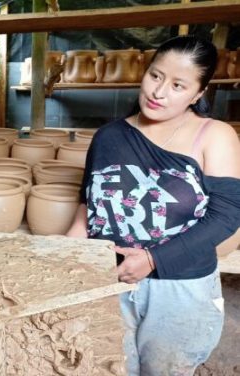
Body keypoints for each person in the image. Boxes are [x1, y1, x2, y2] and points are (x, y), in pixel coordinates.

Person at [67, 35, 240, 375]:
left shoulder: (214, 135)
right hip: (107, 280)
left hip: (180, 290)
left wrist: (152, 259)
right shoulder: (108, 136)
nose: (159, 92)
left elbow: (227, 215)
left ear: (199, 93)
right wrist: (60, 267)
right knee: (108, 367)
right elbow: (87, 215)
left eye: (178, 85)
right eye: (156, 76)